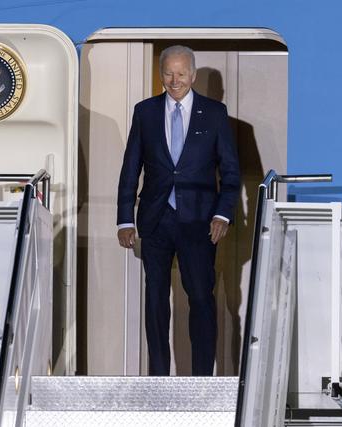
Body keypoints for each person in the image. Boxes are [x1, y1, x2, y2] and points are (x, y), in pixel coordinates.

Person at [116, 45, 240, 376]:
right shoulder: (145, 112)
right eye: (169, 73)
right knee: (155, 299)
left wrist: (223, 214)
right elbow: (131, 168)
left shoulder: (214, 113)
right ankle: (158, 375)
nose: (175, 80)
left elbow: (230, 173)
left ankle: (201, 378)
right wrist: (125, 219)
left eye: (181, 74)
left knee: (201, 297)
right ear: (161, 75)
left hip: (200, 221)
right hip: (155, 220)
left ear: (193, 75)